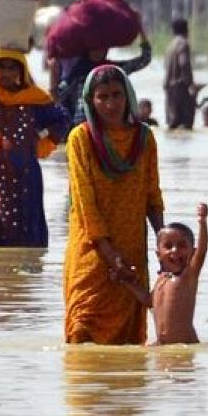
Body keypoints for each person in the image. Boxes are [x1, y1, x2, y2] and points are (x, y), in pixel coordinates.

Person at [63, 65, 164, 345]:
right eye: (102, 97)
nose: (110, 104)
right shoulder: (80, 139)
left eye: (117, 95)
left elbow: (152, 194)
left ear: (128, 96)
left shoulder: (144, 138)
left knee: (128, 343)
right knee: (82, 327)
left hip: (131, 249)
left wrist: (163, 239)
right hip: (91, 252)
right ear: (91, 102)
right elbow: (85, 203)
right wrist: (109, 253)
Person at [0, 0, 70, 248]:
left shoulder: (34, 100)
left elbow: (62, 120)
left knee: (28, 247)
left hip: (26, 183)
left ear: (22, 71)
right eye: (2, 67)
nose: (7, 73)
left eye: (13, 68)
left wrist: (43, 142)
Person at [120, 203, 208, 345]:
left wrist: (202, 222)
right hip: (162, 345)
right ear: (158, 254)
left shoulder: (187, 276)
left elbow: (202, 250)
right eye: (168, 246)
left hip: (185, 345)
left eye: (182, 246)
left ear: (192, 252)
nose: (175, 251)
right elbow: (149, 301)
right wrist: (126, 281)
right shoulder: (162, 279)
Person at [52, 32, 152, 126]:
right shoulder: (78, 73)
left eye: (102, 47)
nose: (98, 51)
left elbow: (144, 59)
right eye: (94, 48)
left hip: (109, 125)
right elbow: (58, 96)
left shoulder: (112, 70)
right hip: (84, 125)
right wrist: (53, 75)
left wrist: (141, 32)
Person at [163, 18, 201, 130]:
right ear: (186, 30)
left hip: (169, 88)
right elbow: (183, 63)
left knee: (173, 124)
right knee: (185, 125)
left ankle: (173, 147)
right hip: (181, 88)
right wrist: (191, 85)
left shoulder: (170, 46)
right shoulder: (183, 44)